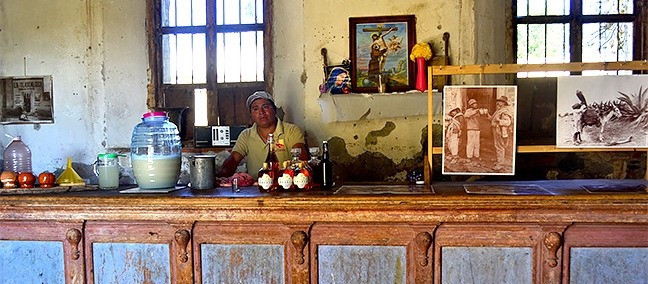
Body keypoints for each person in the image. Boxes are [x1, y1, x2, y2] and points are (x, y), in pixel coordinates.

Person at [217, 91, 308, 179]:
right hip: (255, 189)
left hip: (285, 186)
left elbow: (300, 157)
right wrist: (222, 177)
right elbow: (233, 159)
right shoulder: (246, 135)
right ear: (251, 115)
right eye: (255, 109)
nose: (261, 112)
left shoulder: (291, 130)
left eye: (265, 107)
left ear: (274, 110)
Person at [490, 96, 514, 168]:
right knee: (497, 145)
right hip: (496, 130)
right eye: (498, 101)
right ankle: (499, 160)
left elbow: (507, 122)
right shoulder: (499, 110)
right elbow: (492, 119)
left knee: (500, 146)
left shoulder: (505, 112)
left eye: (500, 101)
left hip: (500, 131)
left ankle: (500, 164)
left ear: (504, 103)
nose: (498, 102)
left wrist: (498, 121)